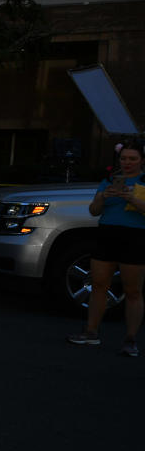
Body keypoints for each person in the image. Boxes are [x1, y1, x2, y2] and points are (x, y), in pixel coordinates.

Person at [68, 139, 145, 356]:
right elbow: (93, 210)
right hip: (106, 234)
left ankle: (130, 339)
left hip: (135, 237)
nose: (127, 163)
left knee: (133, 290)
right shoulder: (109, 180)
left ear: (142, 160)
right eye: (124, 158)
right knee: (99, 284)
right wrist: (103, 196)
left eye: (133, 159)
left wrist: (133, 198)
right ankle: (91, 332)